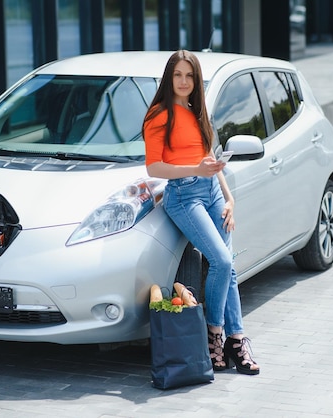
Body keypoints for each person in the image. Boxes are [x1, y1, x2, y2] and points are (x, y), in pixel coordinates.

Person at [142, 50, 259, 375]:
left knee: (229, 267)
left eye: (189, 76)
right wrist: (196, 168)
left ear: (196, 81)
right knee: (221, 261)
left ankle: (236, 339)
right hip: (184, 195)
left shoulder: (197, 112)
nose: (183, 81)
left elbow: (209, 156)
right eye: (178, 75)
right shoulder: (158, 115)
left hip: (211, 192)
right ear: (170, 77)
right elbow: (154, 166)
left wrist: (228, 197)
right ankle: (214, 334)